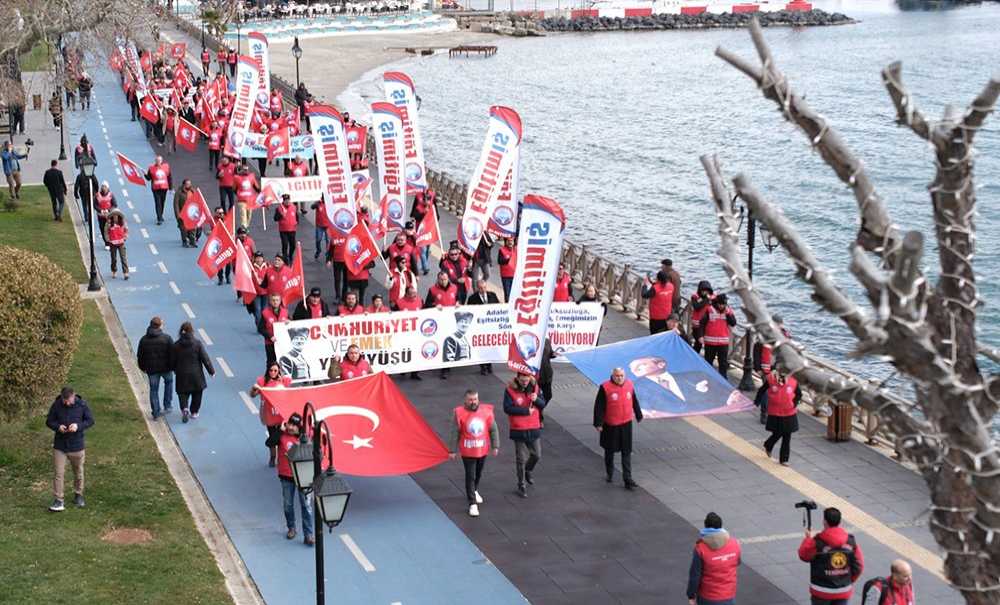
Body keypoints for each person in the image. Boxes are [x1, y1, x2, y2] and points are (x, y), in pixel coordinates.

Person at [799, 507, 865, 605]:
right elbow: (859, 566)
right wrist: (847, 581)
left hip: (821, 591)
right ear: (839, 521)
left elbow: (803, 555)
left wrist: (808, 539)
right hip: (843, 590)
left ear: (824, 521)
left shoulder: (817, 541)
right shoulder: (850, 541)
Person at [449, 390, 499, 518]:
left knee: (478, 473)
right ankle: (472, 503)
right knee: (470, 475)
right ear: (465, 400)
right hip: (468, 451)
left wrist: (495, 445)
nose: (473, 402)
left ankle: (474, 490)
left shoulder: (486, 412)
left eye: (475, 399)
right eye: (470, 400)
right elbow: (454, 432)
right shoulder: (459, 413)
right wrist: (452, 450)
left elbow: (493, 429)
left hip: (482, 449)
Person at [45, 387, 95, 511]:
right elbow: (49, 421)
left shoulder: (82, 405)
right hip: (60, 446)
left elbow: (90, 421)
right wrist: (58, 427)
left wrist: (78, 426)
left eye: (69, 400)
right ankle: (58, 500)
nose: (67, 403)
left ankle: (78, 495)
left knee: (78, 472)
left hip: (76, 445)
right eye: (64, 401)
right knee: (58, 473)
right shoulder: (57, 405)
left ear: (73, 396)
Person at [593, 367, 642, 489]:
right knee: (609, 450)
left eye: (621, 376)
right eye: (617, 376)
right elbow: (599, 406)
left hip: (626, 423)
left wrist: (638, 413)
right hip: (611, 425)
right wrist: (598, 423)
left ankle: (627, 479)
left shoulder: (629, 384)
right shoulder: (605, 387)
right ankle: (609, 473)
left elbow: (634, 400)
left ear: (624, 376)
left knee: (626, 452)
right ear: (612, 376)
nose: (619, 378)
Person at [503, 371, 547, 498]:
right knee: (520, 459)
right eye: (522, 380)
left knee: (537, 455)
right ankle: (521, 484)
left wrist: (537, 399)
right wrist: (525, 411)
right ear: (518, 378)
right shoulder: (510, 390)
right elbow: (507, 408)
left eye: (527, 379)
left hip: (533, 426)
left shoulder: (535, 388)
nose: (525, 382)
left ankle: (528, 470)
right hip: (518, 428)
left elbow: (543, 404)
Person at [276, 413, 315, 545]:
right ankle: (291, 527)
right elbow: (269, 442)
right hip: (286, 476)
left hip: (303, 478)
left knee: (306, 506)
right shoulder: (282, 435)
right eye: (290, 424)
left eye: (295, 425)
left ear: (300, 428)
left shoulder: (305, 440)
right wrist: (279, 431)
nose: (291, 427)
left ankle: (308, 534)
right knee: (288, 505)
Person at [686, 512, 741, 605]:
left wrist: (691, 595)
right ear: (721, 526)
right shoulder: (735, 544)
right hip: (728, 595)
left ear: (705, 526)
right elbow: (738, 562)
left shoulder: (701, 548)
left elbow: (695, 575)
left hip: (707, 597)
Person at [172, 321, 216, 423]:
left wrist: (175, 370)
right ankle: (194, 411)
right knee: (197, 393)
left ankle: (184, 408)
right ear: (192, 331)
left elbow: (172, 360)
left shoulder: (176, 345)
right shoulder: (197, 344)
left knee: (182, 393)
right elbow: (205, 359)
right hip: (196, 375)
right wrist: (211, 371)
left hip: (182, 374)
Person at [250, 362, 292, 467]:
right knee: (273, 439)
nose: (273, 372)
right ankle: (273, 457)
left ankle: (283, 459)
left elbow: (292, 387)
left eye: (275, 371)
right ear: (267, 370)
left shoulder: (283, 381)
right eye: (271, 370)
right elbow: (252, 395)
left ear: (279, 372)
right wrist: (254, 388)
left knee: (282, 439)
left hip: (282, 416)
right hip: (269, 416)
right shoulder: (262, 381)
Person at [137, 317, 175, 419]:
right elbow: (173, 354)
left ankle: (156, 412)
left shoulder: (144, 340)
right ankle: (167, 405)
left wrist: (142, 367)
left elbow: (140, 356)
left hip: (151, 370)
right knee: (169, 382)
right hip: (166, 368)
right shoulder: (167, 338)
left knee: (153, 390)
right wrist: (172, 366)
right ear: (160, 326)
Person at [762, 367, 802, 466]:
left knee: (787, 435)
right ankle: (769, 444)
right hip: (776, 412)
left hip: (789, 412)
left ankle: (784, 459)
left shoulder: (793, 381)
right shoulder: (771, 379)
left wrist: (793, 404)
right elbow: (764, 390)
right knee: (778, 432)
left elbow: (799, 394)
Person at [699, 293, 737, 379]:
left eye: (724, 304)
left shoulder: (728, 311)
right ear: (717, 303)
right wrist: (700, 336)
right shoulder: (709, 310)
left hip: (723, 343)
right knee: (708, 362)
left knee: (723, 364)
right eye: (721, 304)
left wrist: (728, 314)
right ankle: (707, 378)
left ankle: (723, 380)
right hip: (710, 342)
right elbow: (702, 323)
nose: (722, 306)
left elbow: (733, 323)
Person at [466, 279, 499, 375]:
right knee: (482, 347)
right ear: (477, 288)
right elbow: (469, 312)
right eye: (480, 288)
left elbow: (498, 308)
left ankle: (489, 365)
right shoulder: (472, 298)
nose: (483, 290)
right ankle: (483, 367)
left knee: (490, 346)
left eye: (484, 287)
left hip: (491, 327)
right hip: (479, 328)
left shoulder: (492, 295)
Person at [259, 294, 289, 367]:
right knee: (271, 362)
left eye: (277, 300)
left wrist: (289, 322)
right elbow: (260, 328)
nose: (275, 302)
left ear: (280, 301)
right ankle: (269, 378)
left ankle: (282, 378)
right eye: (273, 300)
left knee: (283, 361)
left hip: (282, 342)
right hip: (270, 343)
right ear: (270, 301)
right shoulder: (265, 313)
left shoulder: (285, 312)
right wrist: (270, 336)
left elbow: (291, 325)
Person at [642, 270, 675, 335]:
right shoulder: (671, 286)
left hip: (656, 317)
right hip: (667, 316)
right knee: (664, 334)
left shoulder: (655, 288)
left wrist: (645, 285)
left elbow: (644, 295)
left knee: (654, 335)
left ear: (658, 278)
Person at [145, 156, 172, 224]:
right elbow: (149, 178)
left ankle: (160, 215)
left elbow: (169, 177)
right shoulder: (151, 168)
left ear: (161, 161)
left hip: (164, 188)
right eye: (157, 160)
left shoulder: (166, 167)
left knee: (162, 202)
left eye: (159, 160)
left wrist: (171, 188)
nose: (158, 162)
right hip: (155, 189)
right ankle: (159, 218)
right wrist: (145, 175)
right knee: (158, 203)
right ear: (155, 161)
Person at [690, 281, 715, 353]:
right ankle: (694, 355)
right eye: (703, 290)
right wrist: (707, 299)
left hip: (707, 324)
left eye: (707, 291)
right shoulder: (695, 297)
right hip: (697, 325)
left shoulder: (713, 298)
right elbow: (697, 306)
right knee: (698, 343)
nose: (705, 292)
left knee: (707, 344)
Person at [274, 194, 299, 263]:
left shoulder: (293, 207)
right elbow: (275, 218)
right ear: (283, 201)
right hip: (283, 230)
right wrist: (280, 215)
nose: (287, 201)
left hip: (292, 230)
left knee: (293, 245)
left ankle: (290, 255)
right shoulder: (279, 208)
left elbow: (296, 216)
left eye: (288, 200)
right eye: (285, 200)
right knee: (285, 244)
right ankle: (285, 259)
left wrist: (297, 222)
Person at [173, 179, 197, 247]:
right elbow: (176, 204)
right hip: (183, 213)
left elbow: (197, 201)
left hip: (192, 213)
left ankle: (192, 242)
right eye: (187, 184)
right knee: (183, 228)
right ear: (184, 184)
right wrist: (178, 215)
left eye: (189, 184)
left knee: (192, 228)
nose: (189, 185)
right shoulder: (179, 192)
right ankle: (184, 241)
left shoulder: (193, 191)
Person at [105, 212, 130, 280]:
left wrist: (125, 237)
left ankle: (125, 272)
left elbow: (126, 230)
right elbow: (106, 232)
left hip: (121, 243)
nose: (115, 217)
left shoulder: (123, 223)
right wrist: (108, 240)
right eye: (114, 215)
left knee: (123, 258)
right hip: (113, 244)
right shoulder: (109, 223)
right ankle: (114, 270)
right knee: (113, 258)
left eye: (117, 215)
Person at [94, 181, 117, 248]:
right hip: (100, 215)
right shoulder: (97, 195)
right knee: (102, 228)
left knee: (109, 229)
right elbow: (95, 204)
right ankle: (106, 242)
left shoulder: (111, 195)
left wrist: (108, 210)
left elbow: (115, 204)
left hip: (109, 216)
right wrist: (100, 210)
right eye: (102, 186)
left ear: (107, 188)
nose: (103, 188)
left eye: (105, 186)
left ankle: (110, 242)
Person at [497, 237, 517, 302]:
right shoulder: (501, 250)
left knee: (514, 293)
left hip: (515, 275)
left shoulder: (516, 250)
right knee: (507, 294)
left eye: (512, 241)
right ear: (506, 242)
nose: (510, 242)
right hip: (506, 276)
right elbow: (499, 261)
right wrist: (508, 259)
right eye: (509, 241)